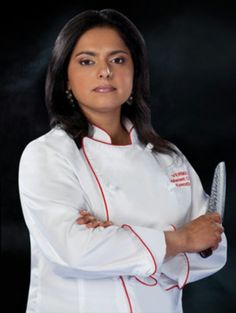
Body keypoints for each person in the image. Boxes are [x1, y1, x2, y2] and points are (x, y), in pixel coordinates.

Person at [18, 8, 227, 313]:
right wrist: (180, 239)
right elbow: (74, 250)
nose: (105, 71)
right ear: (65, 78)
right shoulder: (47, 154)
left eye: (118, 60)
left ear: (134, 73)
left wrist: (116, 237)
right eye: (87, 61)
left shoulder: (168, 157)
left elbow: (214, 249)